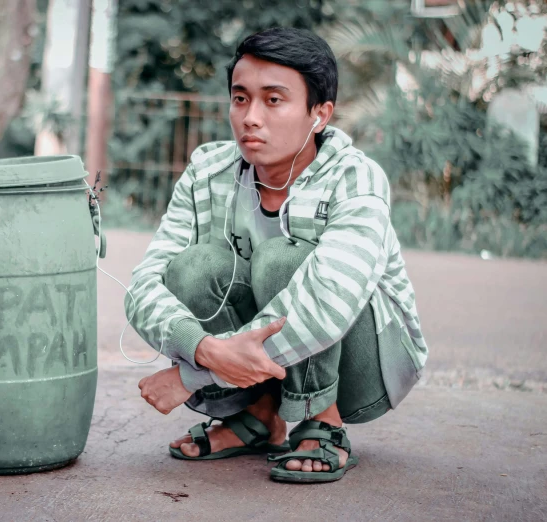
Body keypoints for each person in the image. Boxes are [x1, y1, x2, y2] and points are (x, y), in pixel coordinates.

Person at [127, 27, 428, 483]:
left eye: (273, 100)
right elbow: (143, 286)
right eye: (241, 98)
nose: (250, 117)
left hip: (366, 369)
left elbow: (330, 303)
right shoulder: (206, 173)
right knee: (194, 267)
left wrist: (194, 375)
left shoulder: (356, 178)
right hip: (254, 364)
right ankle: (262, 417)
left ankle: (321, 421)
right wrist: (204, 349)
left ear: (319, 114)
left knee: (281, 260)